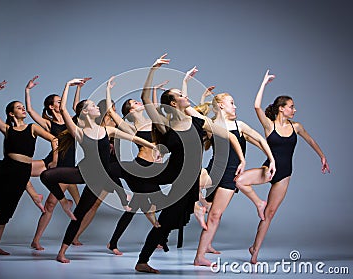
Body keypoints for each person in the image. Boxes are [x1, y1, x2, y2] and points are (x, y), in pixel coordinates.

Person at [134, 54, 246, 273]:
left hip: (192, 181)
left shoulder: (197, 121)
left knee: (172, 221)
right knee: (166, 221)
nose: (186, 96)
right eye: (180, 95)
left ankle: (162, 239)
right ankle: (142, 261)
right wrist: (153, 70)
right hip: (178, 178)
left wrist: (242, 159)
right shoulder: (166, 126)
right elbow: (146, 98)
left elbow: (229, 136)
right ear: (173, 103)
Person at [39, 78, 159, 263]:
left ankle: (62, 252)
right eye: (93, 105)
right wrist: (68, 85)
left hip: (99, 179)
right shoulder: (79, 131)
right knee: (46, 175)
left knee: (78, 216)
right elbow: (63, 109)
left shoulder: (107, 130)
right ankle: (64, 203)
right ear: (85, 112)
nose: (97, 107)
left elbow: (134, 139)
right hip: (82, 172)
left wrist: (152, 146)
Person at [235, 70, 330, 264]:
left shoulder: (297, 127)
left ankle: (255, 251)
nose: (294, 110)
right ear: (281, 108)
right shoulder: (270, 126)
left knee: (269, 214)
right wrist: (264, 82)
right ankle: (257, 203)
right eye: (291, 107)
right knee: (240, 181)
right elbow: (256, 106)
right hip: (268, 170)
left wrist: (322, 157)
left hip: (285, 175)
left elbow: (311, 141)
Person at [0, 80, 60, 255]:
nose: (22, 109)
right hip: (6, 166)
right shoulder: (8, 129)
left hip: (22, 172)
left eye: (23, 107)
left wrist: (54, 160)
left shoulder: (32, 128)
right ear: (11, 113)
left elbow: (54, 139)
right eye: (18, 107)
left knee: (6, 212)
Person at [193, 90, 276, 266]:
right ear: (221, 105)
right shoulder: (211, 125)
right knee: (186, 183)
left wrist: (272, 160)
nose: (235, 106)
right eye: (232, 102)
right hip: (213, 171)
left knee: (215, 215)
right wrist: (201, 98)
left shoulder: (240, 126)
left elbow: (261, 140)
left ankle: (200, 256)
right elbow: (195, 117)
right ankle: (198, 206)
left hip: (230, 175)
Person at [25, 76, 91, 250]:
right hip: (51, 162)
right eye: (58, 101)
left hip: (66, 168)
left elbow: (77, 107)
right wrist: (28, 90)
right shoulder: (48, 123)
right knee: (18, 168)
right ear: (51, 106)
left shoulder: (72, 121)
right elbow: (31, 111)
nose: (61, 103)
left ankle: (72, 237)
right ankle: (36, 239)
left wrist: (78, 88)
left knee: (52, 204)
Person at [105, 76, 168, 255]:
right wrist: (109, 89)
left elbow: (154, 106)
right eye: (134, 102)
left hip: (153, 168)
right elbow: (111, 111)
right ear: (131, 111)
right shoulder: (130, 127)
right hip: (140, 167)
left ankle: (113, 242)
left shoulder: (152, 122)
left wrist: (155, 89)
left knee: (135, 207)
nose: (138, 102)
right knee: (160, 201)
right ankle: (161, 239)